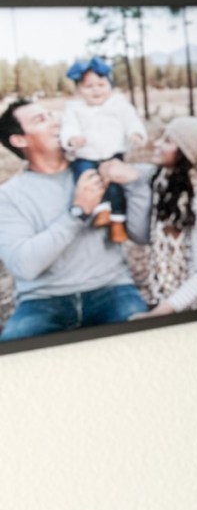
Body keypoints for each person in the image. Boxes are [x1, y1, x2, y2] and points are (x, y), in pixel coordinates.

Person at [0, 99, 149, 340]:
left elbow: (141, 235)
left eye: (52, 115)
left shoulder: (102, 169)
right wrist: (77, 212)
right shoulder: (8, 197)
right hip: (43, 302)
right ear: (19, 140)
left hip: (112, 290)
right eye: (41, 119)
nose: (56, 121)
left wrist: (135, 184)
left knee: (148, 349)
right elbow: (24, 266)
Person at [130, 117, 197, 318]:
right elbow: (133, 173)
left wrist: (158, 314)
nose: (157, 144)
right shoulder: (160, 181)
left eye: (168, 141)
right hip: (169, 293)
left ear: (186, 154)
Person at [60, 56, 147, 244]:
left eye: (101, 84)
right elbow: (68, 127)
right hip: (86, 154)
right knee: (86, 180)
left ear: (110, 86)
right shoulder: (74, 108)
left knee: (115, 186)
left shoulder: (119, 105)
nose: (96, 90)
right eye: (89, 86)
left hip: (112, 154)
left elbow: (131, 121)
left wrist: (135, 133)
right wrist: (72, 138)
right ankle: (101, 211)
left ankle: (117, 222)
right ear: (79, 90)